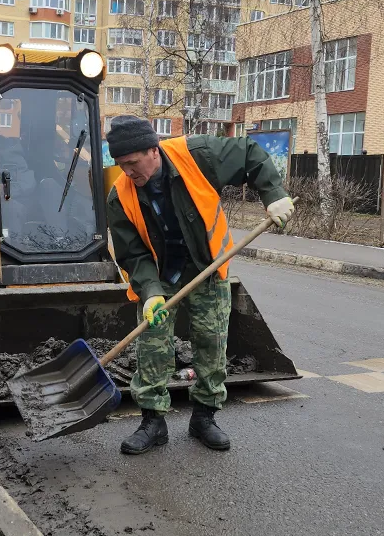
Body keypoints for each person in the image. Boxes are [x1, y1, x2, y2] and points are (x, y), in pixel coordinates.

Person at [105, 115, 294, 455]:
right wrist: (150, 293)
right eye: (121, 165)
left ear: (153, 150)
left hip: (208, 267)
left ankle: (204, 417)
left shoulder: (198, 155)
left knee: (211, 341)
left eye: (132, 163)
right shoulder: (120, 196)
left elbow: (250, 153)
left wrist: (273, 193)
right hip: (161, 276)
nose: (128, 172)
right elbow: (132, 253)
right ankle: (152, 421)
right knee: (152, 344)